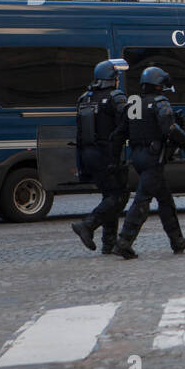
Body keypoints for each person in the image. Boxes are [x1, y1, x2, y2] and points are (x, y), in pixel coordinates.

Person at [110, 67, 185, 259]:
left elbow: (119, 134)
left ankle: (177, 240)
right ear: (158, 84)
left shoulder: (133, 102)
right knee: (142, 201)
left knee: (165, 200)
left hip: (138, 156)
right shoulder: (160, 102)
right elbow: (170, 129)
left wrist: (115, 159)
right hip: (153, 158)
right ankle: (124, 241)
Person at [71, 59, 130, 253]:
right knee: (119, 196)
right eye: (117, 78)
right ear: (111, 79)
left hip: (88, 154)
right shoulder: (116, 97)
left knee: (109, 195)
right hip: (107, 154)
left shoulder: (84, 98)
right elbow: (126, 122)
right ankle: (88, 225)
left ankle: (108, 242)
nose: (118, 82)